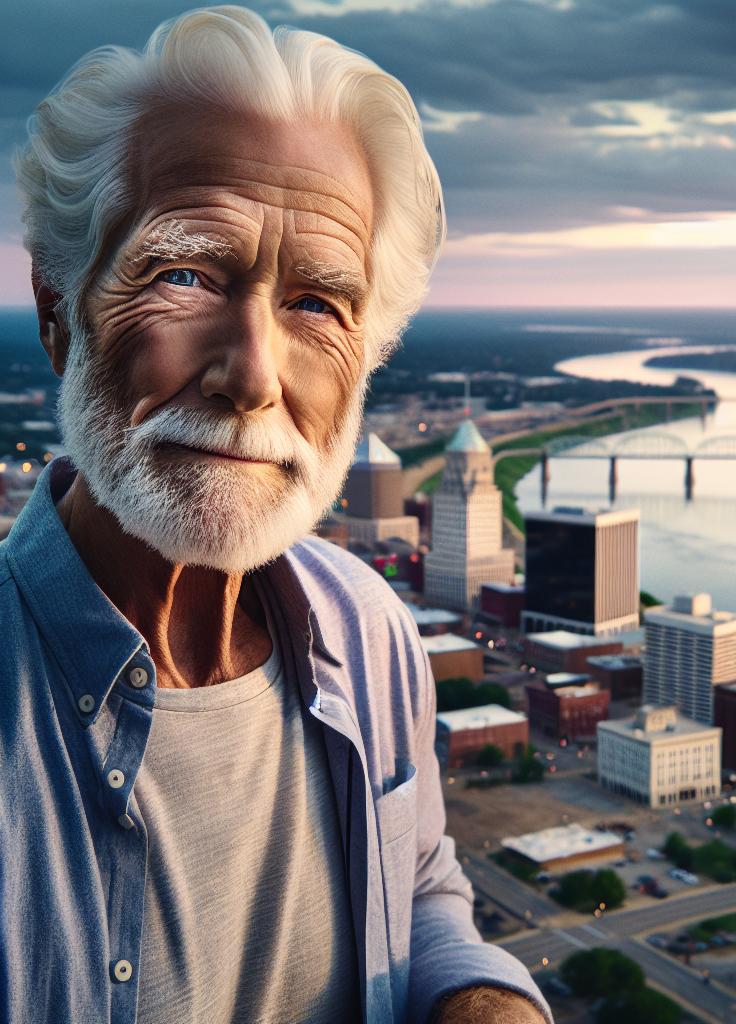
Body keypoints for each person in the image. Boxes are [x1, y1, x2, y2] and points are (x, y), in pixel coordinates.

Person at [2, 6, 551, 1023]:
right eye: (185, 272)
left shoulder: (370, 631)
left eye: (316, 304)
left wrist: (479, 998)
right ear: (56, 309)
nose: (254, 375)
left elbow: (419, 886)